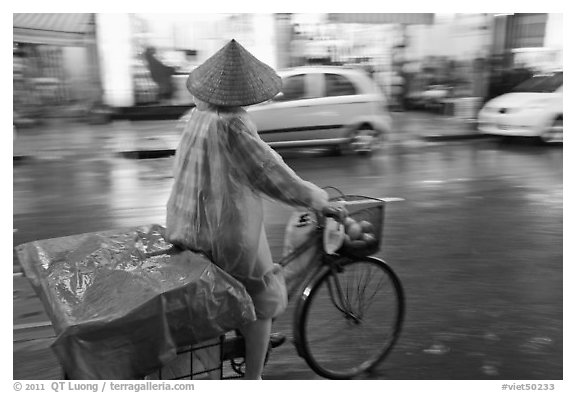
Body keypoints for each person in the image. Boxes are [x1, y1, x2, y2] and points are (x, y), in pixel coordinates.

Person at [165, 39, 341, 380]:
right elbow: (270, 173)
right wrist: (317, 199)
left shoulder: (194, 117)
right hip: (223, 233)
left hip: (185, 224)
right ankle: (254, 378)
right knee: (262, 296)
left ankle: (249, 339)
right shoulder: (232, 123)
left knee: (238, 291)